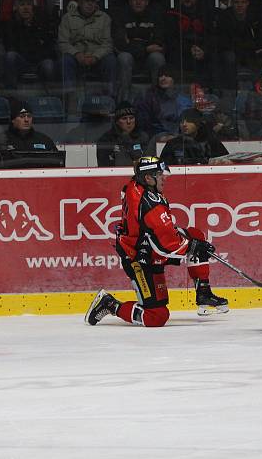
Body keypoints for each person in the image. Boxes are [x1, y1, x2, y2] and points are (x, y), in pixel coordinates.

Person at [84, 156, 228, 327]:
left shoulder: (138, 185)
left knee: (195, 234)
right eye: (160, 175)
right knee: (156, 317)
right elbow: (166, 245)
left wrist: (192, 243)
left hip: (149, 246)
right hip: (139, 257)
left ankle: (203, 292)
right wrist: (193, 247)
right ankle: (110, 304)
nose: (164, 178)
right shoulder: (149, 204)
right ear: (148, 178)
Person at [0, 98, 62, 167]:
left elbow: (58, 164)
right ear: (13, 120)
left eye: (29, 116)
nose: (26, 120)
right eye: (21, 116)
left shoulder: (44, 141)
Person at [160, 108, 228, 165]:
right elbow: (163, 166)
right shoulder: (172, 144)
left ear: (198, 123)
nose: (184, 124)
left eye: (189, 121)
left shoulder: (212, 142)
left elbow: (227, 161)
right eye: (181, 121)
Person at [95, 102, 150, 167]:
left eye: (131, 118)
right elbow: (104, 166)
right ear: (117, 122)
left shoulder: (143, 137)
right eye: (124, 118)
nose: (128, 122)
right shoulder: (106, 139)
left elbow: (148, 163)